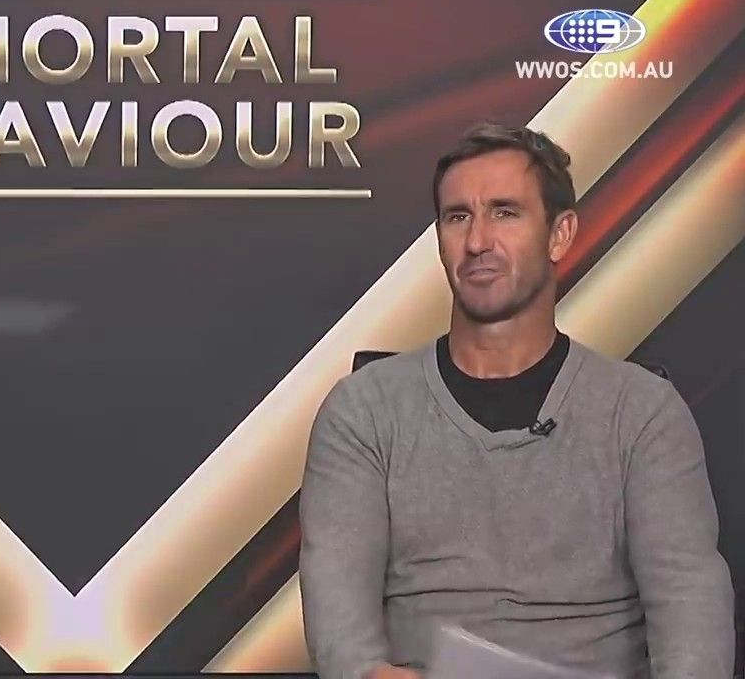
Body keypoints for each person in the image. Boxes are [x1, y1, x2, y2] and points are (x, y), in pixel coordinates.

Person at [298, 122, 734, 678]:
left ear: (560, 234)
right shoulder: (363, 411)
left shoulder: (643, 413)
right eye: (458, 217)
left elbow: (690, 608)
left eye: (505, 212)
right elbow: (341, 626)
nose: (478, 241)